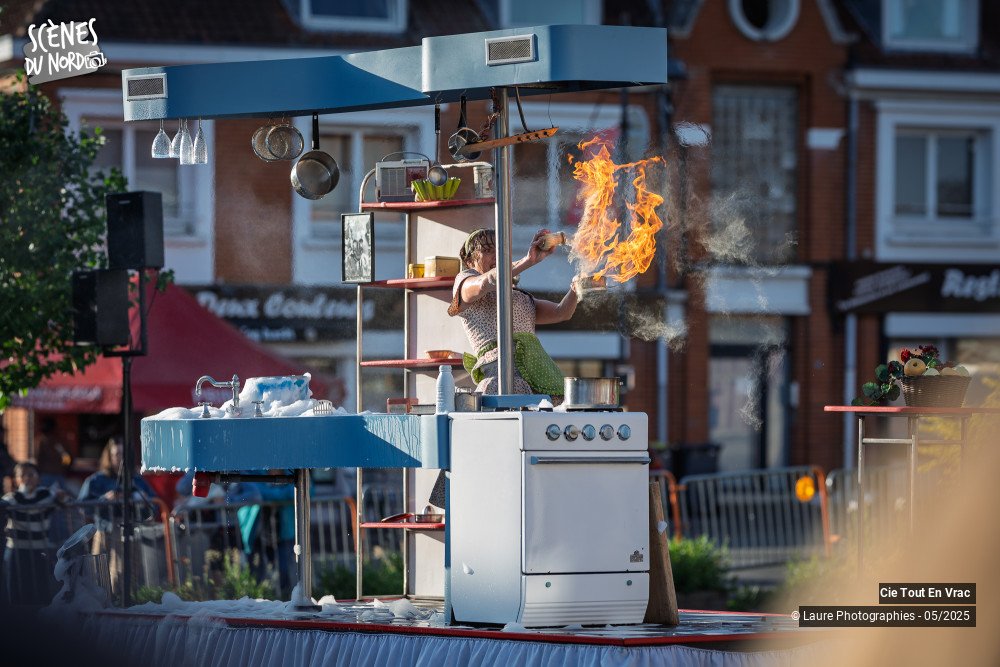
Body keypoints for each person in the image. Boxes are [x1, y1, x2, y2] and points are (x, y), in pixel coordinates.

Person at [449, 227, 580, 396]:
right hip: (502, 379)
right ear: (469, 262)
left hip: (537, 376)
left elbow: (561, 312)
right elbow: (486, 282)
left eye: (500, 250)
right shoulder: (465, 284)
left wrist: (576, 288)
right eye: (488, 250)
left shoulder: (519, 296)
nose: (496, 255)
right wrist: (528, 260)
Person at [78, 438, 157, 599]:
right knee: (102, 573)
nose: (120, 458)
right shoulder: (96, 480)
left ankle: (127, 602)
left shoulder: (136, 479)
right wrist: (105, 499)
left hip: (130, 529)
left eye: (123, 454)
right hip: (106, 530)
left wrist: (136, 498)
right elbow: (82, 505)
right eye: (116, 454)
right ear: (109, 456)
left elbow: (154, 504)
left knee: (129, 572)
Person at [2, 462, 70, 605]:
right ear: (16, 479)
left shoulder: (46, 495)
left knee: (41, 588)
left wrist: (62, 497)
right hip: (16, 550)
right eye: (23, 475)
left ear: (38, 477)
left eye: (31, 474)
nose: (27, 478)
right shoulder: (10, 498)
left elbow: (65, 501)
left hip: (39, 550)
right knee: (15, 589)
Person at [35, 417, 72, 491]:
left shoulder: (42, 441)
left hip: (49, 474)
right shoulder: (58, 441)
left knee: (44, 498)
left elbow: (38, 459)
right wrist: (64, 468)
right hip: (55, 474)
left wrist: (64, 468)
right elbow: (67, 458)